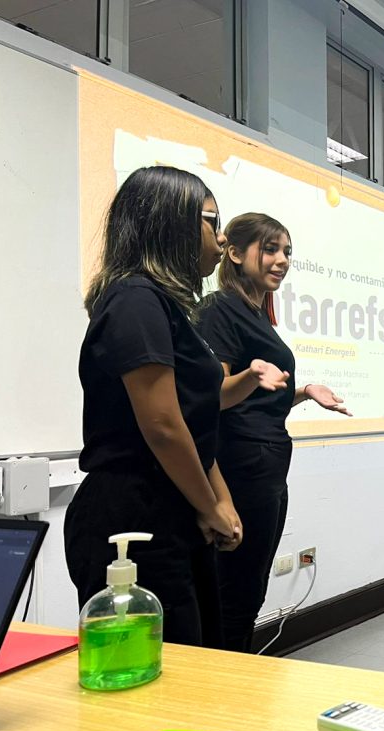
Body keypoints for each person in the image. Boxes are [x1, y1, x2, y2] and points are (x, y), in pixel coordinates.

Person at [64, 166, 242, 648]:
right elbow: (162, 425)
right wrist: (210, 505)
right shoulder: (134, 300)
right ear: (172, 224)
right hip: (133, 515)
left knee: (194, 666)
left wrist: (219, 500)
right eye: (212, 218)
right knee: (154, 684)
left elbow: (192, 420)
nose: (222, 235)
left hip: (173, 508)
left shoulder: (167, 307)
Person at [196, 213, 351, 651]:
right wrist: (250, 375)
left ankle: (238, 688)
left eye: (287, 252)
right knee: (234, 595)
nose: (281, 260)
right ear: (233, 252)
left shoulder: (256, 313)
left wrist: (303, 391)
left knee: (249, 591)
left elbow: (258, 394)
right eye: (270, 249)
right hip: (239, 468)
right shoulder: (219, 309)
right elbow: (216, 396)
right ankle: (225, 694)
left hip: (265, 467)